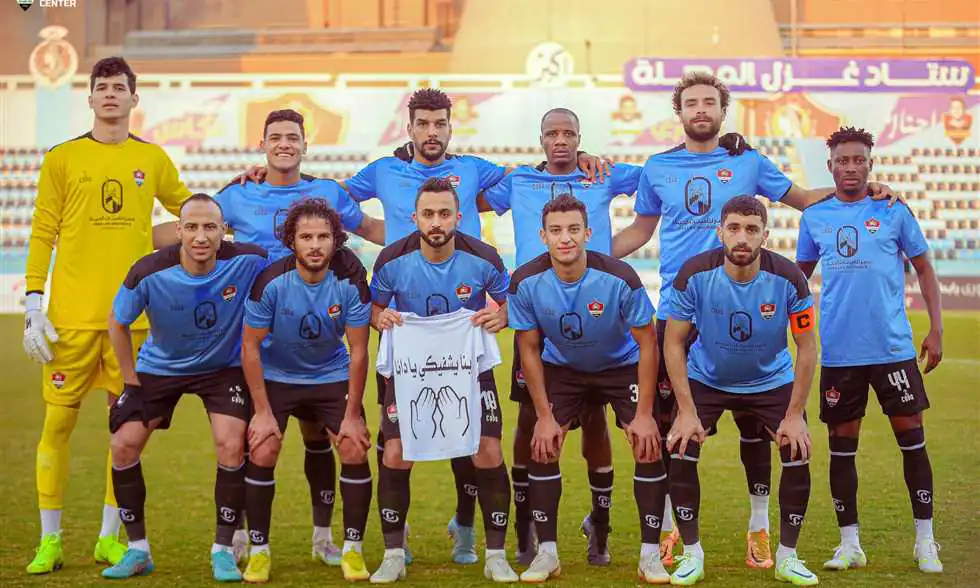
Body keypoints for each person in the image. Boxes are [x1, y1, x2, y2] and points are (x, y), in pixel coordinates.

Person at [241, 88, 609, 564]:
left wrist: (581, 157)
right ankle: (398, 539)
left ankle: (466, 526)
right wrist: (264, 176)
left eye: (440, 124)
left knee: (471, 441)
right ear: (409, 128)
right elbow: (330, 199)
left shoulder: (475, 170)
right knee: (398, 443)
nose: (431, 132)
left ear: (450, 127)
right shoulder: (383, 171)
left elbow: (532, 179)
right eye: (423, 124)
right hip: (406, 331)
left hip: (462, 331)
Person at [612, 71, 897, 569]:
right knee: (674, 427)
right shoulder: (657, 167)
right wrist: (591, 256)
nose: (701, 110)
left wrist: (863, 191)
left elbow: (803, 199)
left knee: (754, 422)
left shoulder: (748, 160)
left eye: (710, 102)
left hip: (744, 300)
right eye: (691, 103)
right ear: (679, 112)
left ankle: (760, 529)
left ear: (723, 111)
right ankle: (673, 528)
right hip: (681, 309)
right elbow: (640, 229)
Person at [22, 56, 192, 575]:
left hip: (133, 323)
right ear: (91, 97)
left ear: (134, 98)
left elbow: (190, 215)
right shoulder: (63, 158)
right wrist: (33, 302)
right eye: (103, 87)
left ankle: (108, 539)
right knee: (57, 424)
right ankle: (50, 540)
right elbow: (43, 230)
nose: (111, 94)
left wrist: (237, 193)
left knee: (125, 432)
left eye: (120, 87)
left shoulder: (153, 158)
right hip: (70, 321)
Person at [215, 109, 383, 566]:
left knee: (321, 437)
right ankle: (244, 537)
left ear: (305, 145)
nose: (285, 144)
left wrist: (432, 235)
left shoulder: (327, 193)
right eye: (276, 137)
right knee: (251, 441)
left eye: (293, 137)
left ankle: (326, 538)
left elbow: (370, 229)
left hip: (320, 341)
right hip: (260, 340)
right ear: (262, 145)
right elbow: (197, 224)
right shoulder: (239, 193)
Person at [482, 107, 643, 566]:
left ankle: (600, 523)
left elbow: (656, 183)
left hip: (597, 315)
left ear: (579, 137)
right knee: (531, 422)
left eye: (568, 134)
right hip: (538, 316)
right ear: (540, 139)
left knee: (594, 420)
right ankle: (526, 522)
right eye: (551, 133)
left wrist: (608, 253)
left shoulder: (601, 175)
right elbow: (463, 195)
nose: (560, 140)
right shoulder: (518, 181)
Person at [796, 127, 944, 574]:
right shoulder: (815, 217)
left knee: (912, 442)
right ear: (830, 166)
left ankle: (925, 541)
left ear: (870, 163)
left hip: (892, 349)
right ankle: (850, 544)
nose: (851, 167)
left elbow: (924, 268)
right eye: (842, 160)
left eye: (859, 159)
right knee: (842, 449)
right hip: (840, 353)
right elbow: (797, 279)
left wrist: (936, 329)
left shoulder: (893, 209)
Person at [101, 194, 268, 581]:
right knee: (122, 445)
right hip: (161, 368)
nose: (201, 236)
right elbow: (117, 321)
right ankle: (138, 550)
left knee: (231, 444)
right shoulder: (148, 271)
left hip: (222, 368)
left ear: (223, 231)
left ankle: (223, 550)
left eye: (210, 227)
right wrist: (130, 382)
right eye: (191, 227)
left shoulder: (248, 260)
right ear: (178, 231)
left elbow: (290, 266)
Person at [507, 194, 668, 583]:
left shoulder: (620, 278)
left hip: (621, 365)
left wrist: (644, 415)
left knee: (647, 444)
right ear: (543, 236)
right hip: (563, 368)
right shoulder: (525, 281)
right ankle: (547, 553)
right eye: (556, 231)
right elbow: (528, 349)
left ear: (588, 233)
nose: (565, 238)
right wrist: (544, 416)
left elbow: (649, 343)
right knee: (543, 443)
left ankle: (650, 556)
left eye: (573, 230)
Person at [368, 177, 517, 583]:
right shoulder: (391, 261)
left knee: (487, 449)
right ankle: (394, 554)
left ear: (459, 217)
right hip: (411, 368)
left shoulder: (484, 258)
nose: (437, 222)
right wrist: (381, 317)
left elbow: (510, 304)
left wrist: (501, 316)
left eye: (445, 214)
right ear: (414, 217)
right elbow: (372, 310)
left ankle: (496, 555)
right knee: (396, 452)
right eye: (429, 214)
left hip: (467, 366)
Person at [664, 195, 819, 586]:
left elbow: (807, 347)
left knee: (797, 449)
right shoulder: (694, 274)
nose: (742, 237)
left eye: (751, 229)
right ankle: (692, 553)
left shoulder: (790, 278)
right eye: (733, 228)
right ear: (720, 232)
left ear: (765, 235)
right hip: (708, 378)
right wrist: (686, 411)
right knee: (681, 446)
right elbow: (673, 342)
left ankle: (787, 556)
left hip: (770, 381)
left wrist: (794, 415)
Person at [240, 198, 375, 583]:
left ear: (335, 240)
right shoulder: (271, 282)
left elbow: (359, 350)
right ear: (291, 241)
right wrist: (262, 412)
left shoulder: (349, 282)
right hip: (278, 375)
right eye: (306, 237)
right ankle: (259, 551)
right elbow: (250, 347)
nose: (315, 245)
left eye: (323, 237)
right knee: (263, 447)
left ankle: (350, 549)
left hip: (329, 374)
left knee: (353, 446)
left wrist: (352, 415)